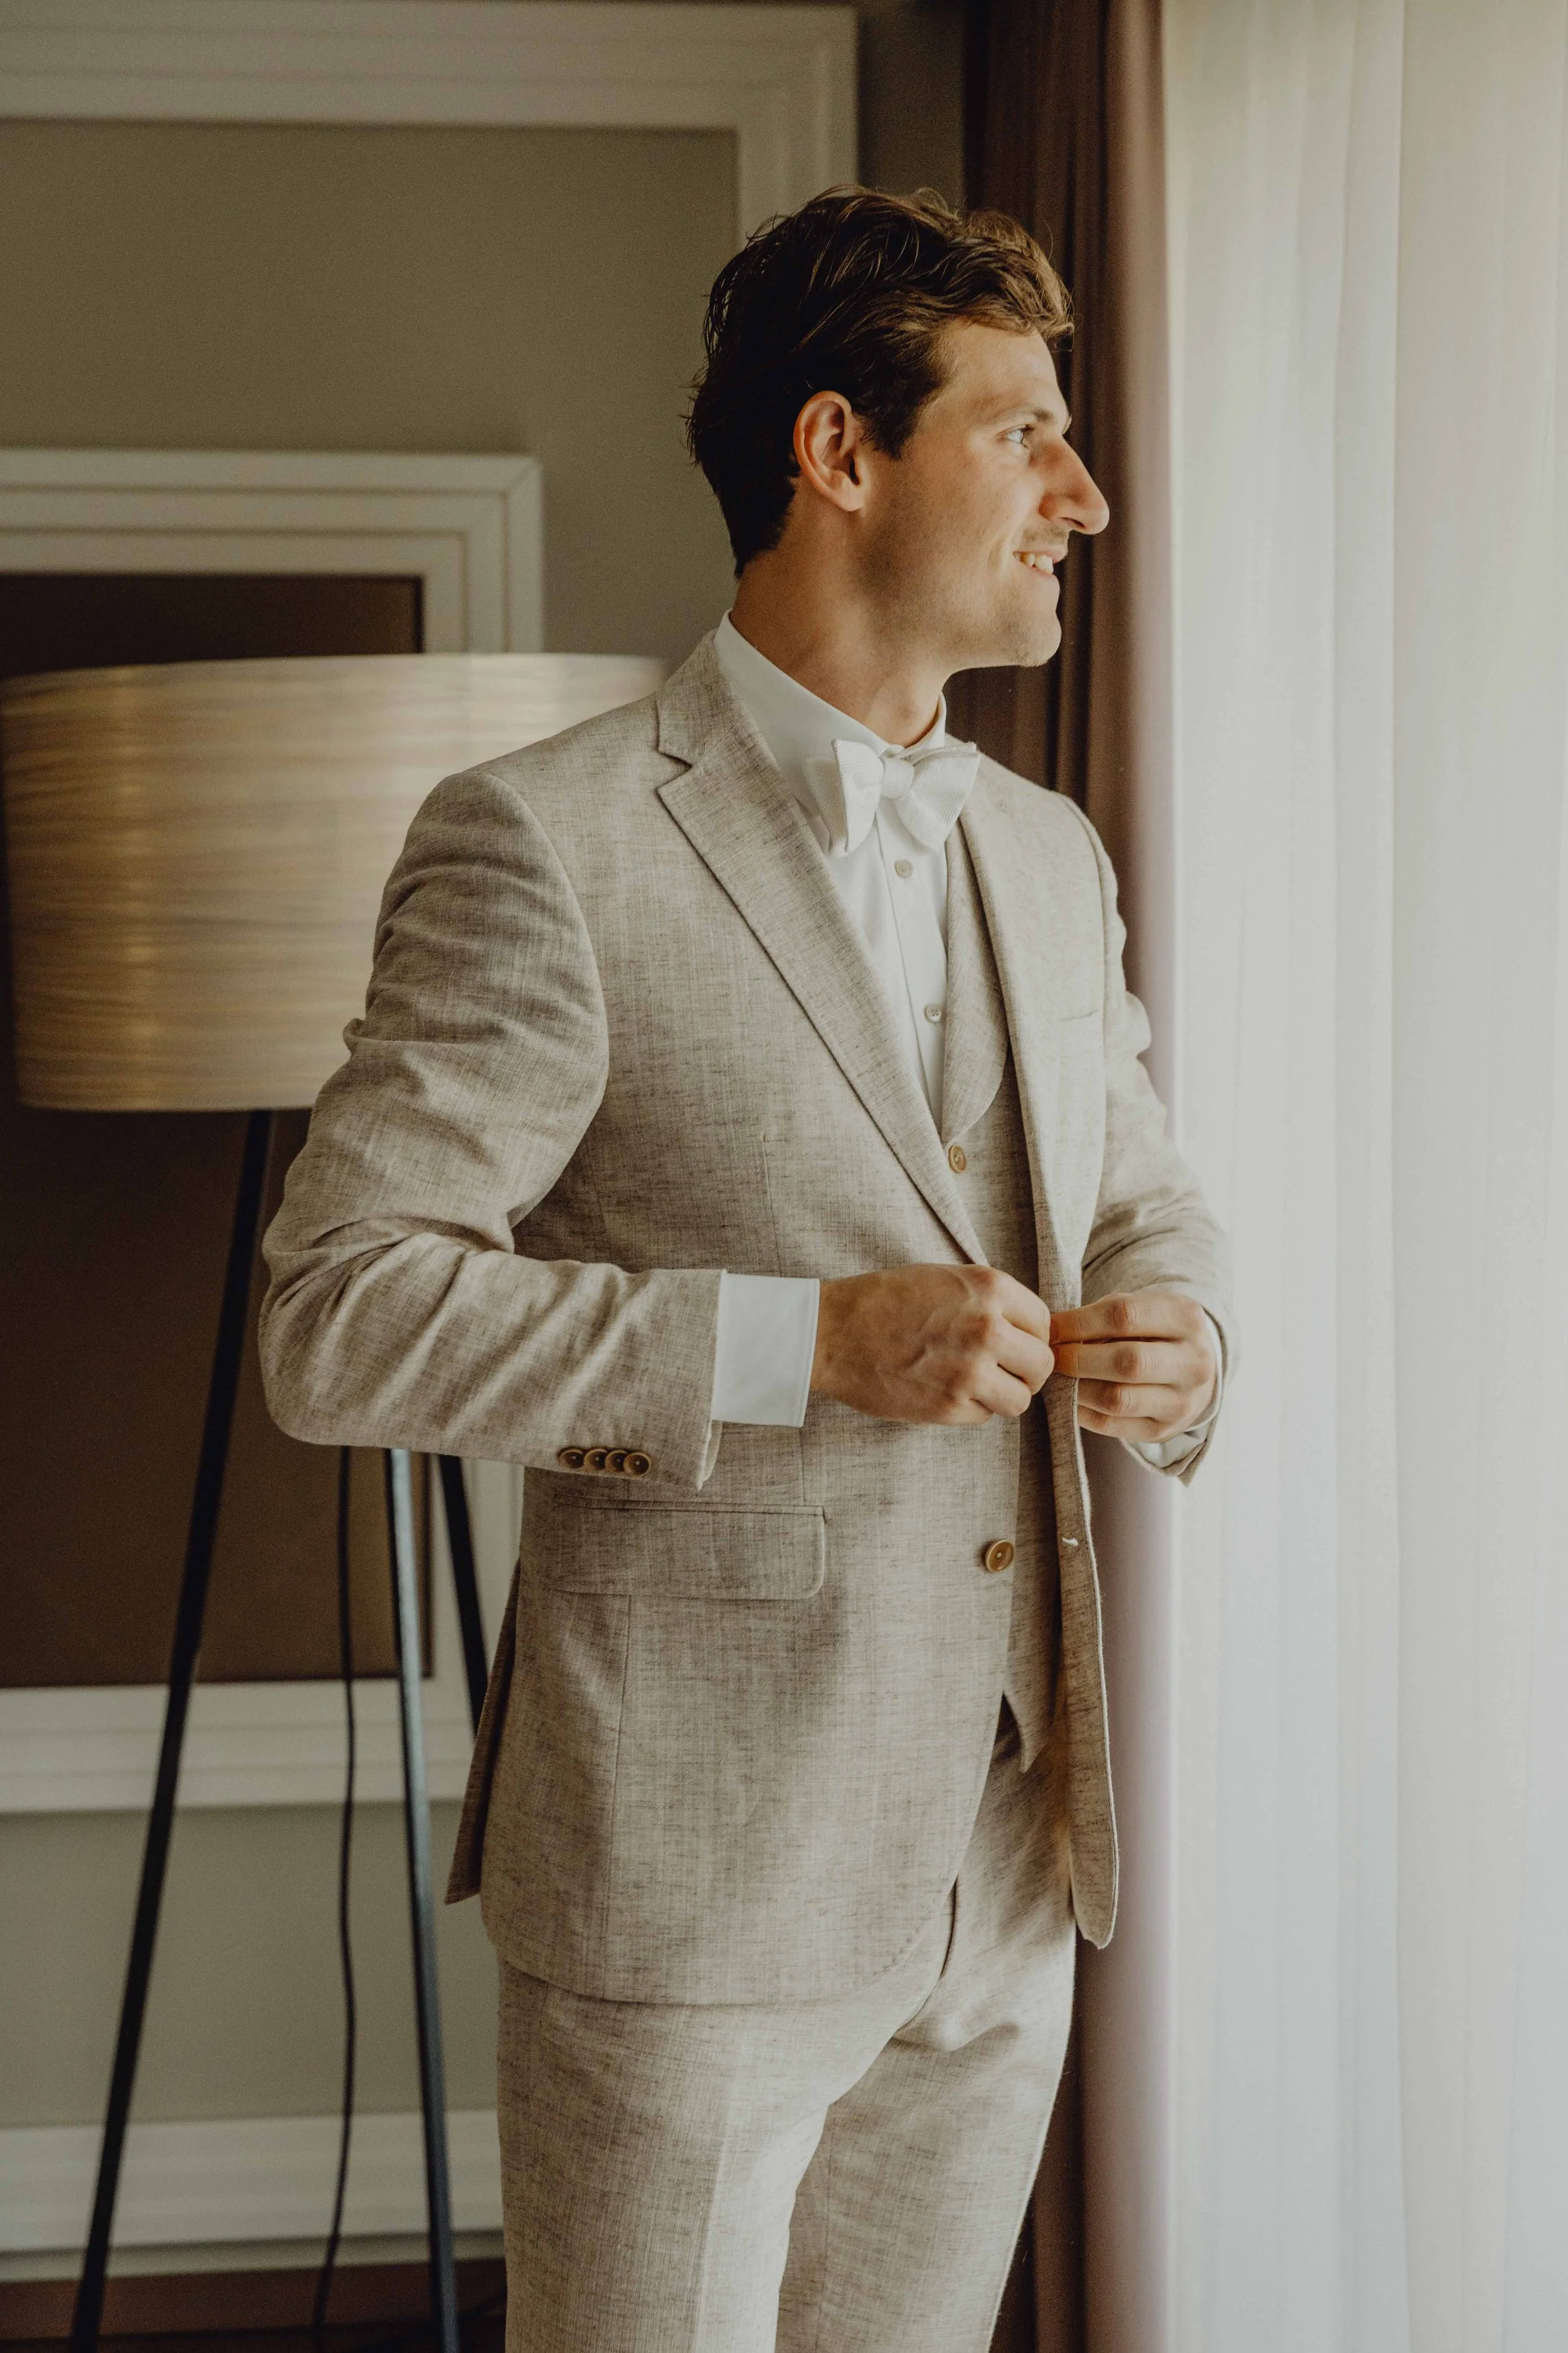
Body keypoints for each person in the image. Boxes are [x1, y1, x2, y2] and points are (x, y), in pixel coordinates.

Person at [259, 186, 1231, 2353]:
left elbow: (1139, 1188)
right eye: (1025, 435)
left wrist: (1188, 1337)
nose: (1083, 496)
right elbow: (337, 1315)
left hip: (996, 1875)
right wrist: (804, 1344)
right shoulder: (549, 840)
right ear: (839, 454)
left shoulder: (1044, 855)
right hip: (689, 1888)